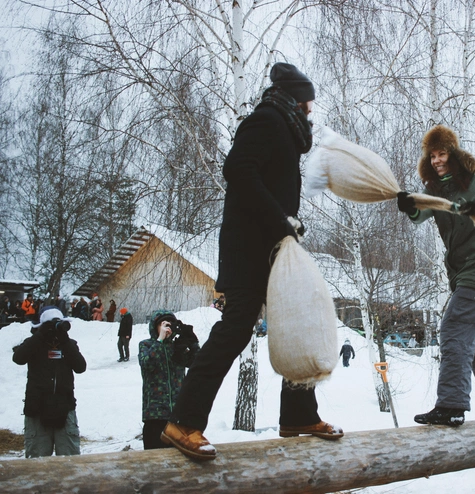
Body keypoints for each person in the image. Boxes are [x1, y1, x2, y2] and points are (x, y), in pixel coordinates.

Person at [161, 62, 343, 461]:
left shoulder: (283, 128)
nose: (310, 112)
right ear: (294, 100)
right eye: (307, 105)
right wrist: (280, 218)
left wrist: (286, 223)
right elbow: (238, 170)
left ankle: (298, 415)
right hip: (248, 250)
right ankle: (183, 422)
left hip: (271, 249)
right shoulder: (265, 121)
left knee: (294, 323)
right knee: (235, 329)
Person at [397, 124, 475, 427]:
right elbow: (421, 214)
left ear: (453, 155)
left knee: (453, 330)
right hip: (465, 272)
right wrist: (409, 205)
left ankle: (451, 404)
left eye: (442, 154)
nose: (437, 160)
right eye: (433, 155)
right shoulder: (434, 190)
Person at [12, 306, 87, 457]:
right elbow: (18, 358)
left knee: (69, 463)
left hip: (64, 409)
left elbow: (80, 367)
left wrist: (64, 339)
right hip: (36, 410)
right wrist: (40, 334)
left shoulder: (68, 344)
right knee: (37, 464)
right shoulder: (33, 343)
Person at [139, 310, 200, 450]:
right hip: (155, 414)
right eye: (163, 324)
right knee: (155, 459)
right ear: (155, 327)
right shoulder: (147, 345)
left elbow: (196, 363)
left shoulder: (177, 347)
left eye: (169, 324)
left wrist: (193, 342)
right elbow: (147, 364)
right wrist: (160, 340)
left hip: (177, 415)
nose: (167, 328)